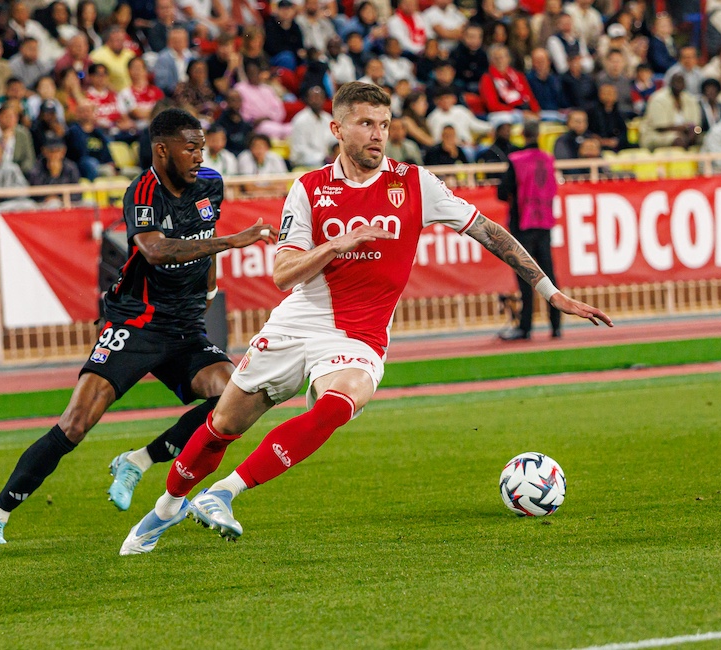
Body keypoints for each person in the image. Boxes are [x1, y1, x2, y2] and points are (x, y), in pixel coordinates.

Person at [119, 82, 612, 554]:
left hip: (360, 335)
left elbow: (489, 232)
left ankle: (224, 493)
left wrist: (550, 292)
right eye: (366, 124)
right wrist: (336, 244)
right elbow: (283, 274)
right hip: (298, 322)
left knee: (339, 404)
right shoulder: (309, 188)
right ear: (337, 129)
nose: (378, 134)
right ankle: (163, 510)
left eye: (384, 124)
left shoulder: (415, 183)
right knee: (222, 425)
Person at [0, 108, 277, 545]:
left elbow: (203, 241)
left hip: (185, 325)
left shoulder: (210, 182)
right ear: (162, 150)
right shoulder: (143, 191)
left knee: (231, 400)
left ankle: (138, 461)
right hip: (136, 322)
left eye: (201, 148)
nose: (199, 156)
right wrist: (232, 241)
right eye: (190, 148)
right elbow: (154, 250)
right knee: (76, 423)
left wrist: (209, 289)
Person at [495, 121, 562, 341]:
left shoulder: (516, 160)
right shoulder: (548, 160)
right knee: (549, 275)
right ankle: (556, 325)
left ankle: (525, 328)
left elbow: (502, 192)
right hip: (544, 222)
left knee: (525, 277)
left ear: (523, 134)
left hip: (522, 223)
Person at [640, 73, 701, 150]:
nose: (678, 85)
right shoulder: (658, 98)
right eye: (676, 82)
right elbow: (660, 127)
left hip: (684, 133)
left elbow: (696, 125)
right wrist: (684, 128)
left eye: (681, 82)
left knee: (703, 139)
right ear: (670, 83)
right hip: (657, 134)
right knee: (679, 140)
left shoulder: (689, 99)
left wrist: (694, 131)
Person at [289, 86, 336, 169]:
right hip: (304, 164)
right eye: (313, 97)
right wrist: (321, 158)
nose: (317, 100)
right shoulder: (300, 120)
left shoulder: (327, 118)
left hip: (326, 163)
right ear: (307, 99)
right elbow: (300, 150)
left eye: (319, 97)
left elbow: (333, 141)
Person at [26, 134, 81, 202]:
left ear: (63, 151)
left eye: (57, 151)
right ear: (44, 151)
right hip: (42, 205)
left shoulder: (71, 168)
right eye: (51, 151)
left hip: (67, 203)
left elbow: (77, 194)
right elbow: (34, 195)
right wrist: (52, 176)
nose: (54, 155)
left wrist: (61, 199)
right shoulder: (36, 168)